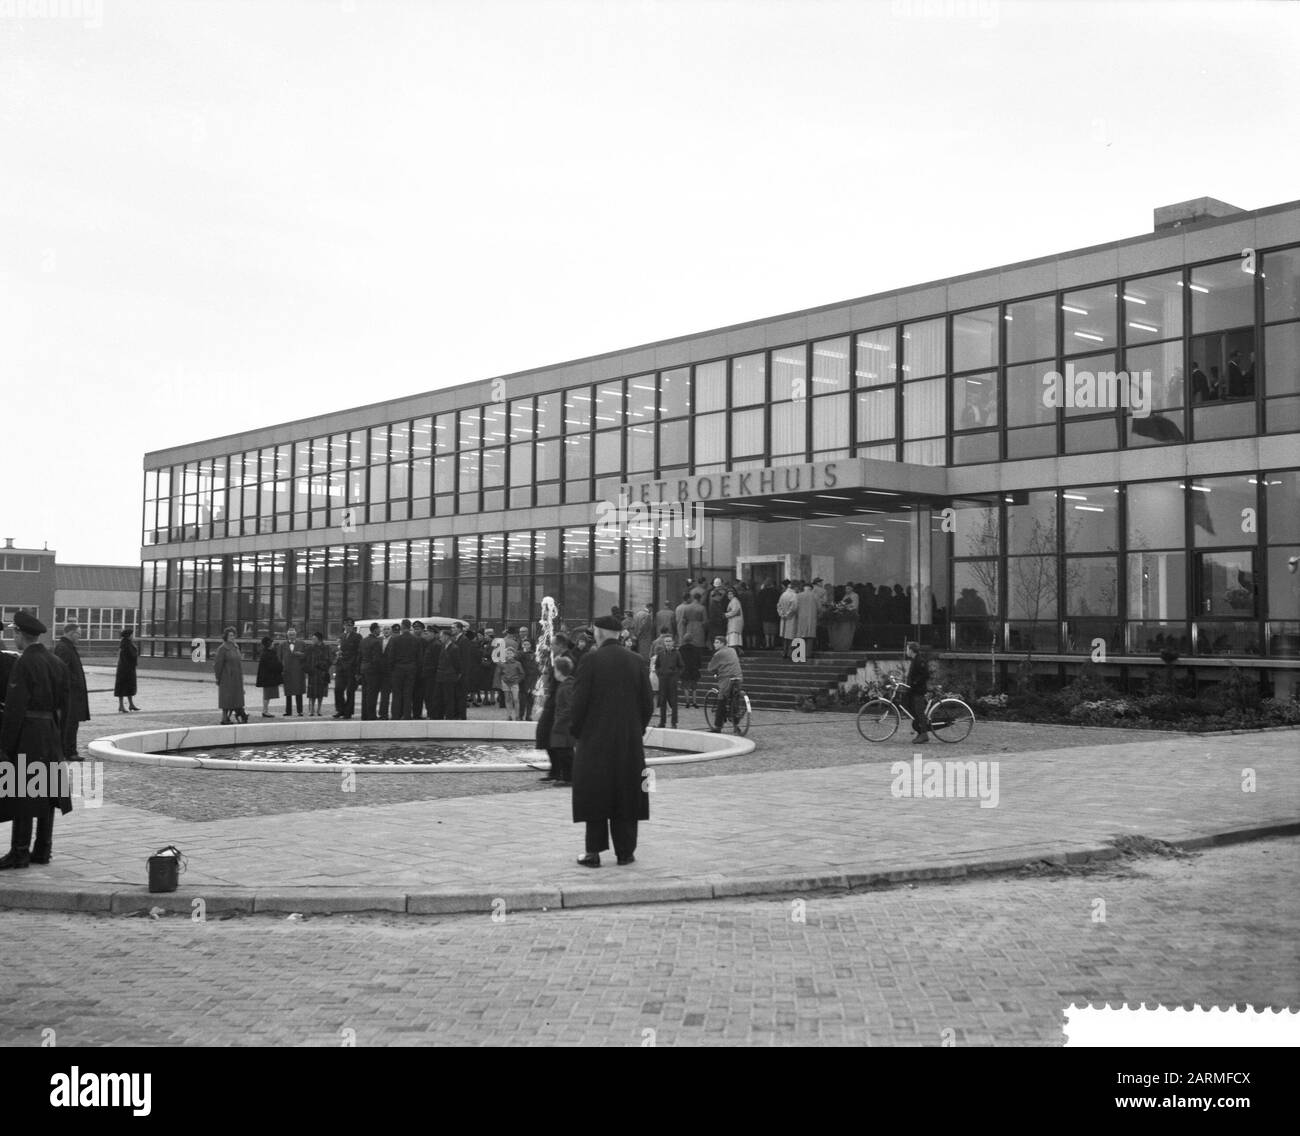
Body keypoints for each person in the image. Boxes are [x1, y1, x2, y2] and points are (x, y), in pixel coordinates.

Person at [568, 614, 654, 868]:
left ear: (599, 633)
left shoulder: (590, 660)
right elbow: (648, 703)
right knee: (627, 793)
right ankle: (626, 852)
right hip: (628, 741)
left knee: (595, 793)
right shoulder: (637, 660)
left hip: (595, 741)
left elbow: (578, 703)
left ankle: (593, 852)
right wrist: (635, 729)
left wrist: (578, 732)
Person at [0, 611, 73, 870]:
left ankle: (19, 851)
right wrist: (61, 740)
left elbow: (15, 708)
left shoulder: (24, 663)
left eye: (14, 633)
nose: (13, 638)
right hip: (51, 732)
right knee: (47, 791)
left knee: (24, 792)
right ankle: (43, 849)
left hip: (28, 734)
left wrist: (4, 747)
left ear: (20, 634)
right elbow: (66, 707)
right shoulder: (56, 662)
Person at [53, 621, 89, 758]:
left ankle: (69, 750)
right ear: (71, 633)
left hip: (73, 693)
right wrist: (73, 684)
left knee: (72, 723)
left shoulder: (68, 647)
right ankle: (69, 751)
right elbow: (62, 671)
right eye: (78, 634)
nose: (79, 637)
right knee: (69, 723)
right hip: (70, 694)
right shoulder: (64, 648)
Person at [546, 655, 577, 784]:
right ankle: (566, 776)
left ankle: (569, 778)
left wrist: (559, 722)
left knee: (565, 752)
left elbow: (569, 707)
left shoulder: (566, 687)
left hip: (564, 726)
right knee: (563, 751)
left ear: (559, 671)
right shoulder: (566, 685)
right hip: (563, 725)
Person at [705, 633, 743, 733]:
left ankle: (718, 726)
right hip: (738, 677)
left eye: (717, 642)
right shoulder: (732, 650)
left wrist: (715, 673)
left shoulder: (718, 654)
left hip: (726, 679)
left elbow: (711, 668)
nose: (714, 644)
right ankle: (736, 725)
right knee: (734, 700)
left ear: (723, 643)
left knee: (721, 700)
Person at [212, 627, 247, 724]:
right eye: (230, 635)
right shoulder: (222, 648)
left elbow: (239, 663)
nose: (232, 637)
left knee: (235, 698)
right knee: (227, 699)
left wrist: (241, 677)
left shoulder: (236, 647)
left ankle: (230, 717)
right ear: (226, 637)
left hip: (237, 678)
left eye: (233, 635)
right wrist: (218, 678)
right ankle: (224, 718)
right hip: (226, 678)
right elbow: (218, 664)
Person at [388, 619, 420, 720]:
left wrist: (392, 669)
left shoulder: (395, 640)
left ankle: (396, 715)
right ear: (410, 627)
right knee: (408, 693)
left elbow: (391, 656)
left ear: (402, 627)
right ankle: (407, 715)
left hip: (398, 669)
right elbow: (419, 657)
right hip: (411, 669)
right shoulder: (415, 640)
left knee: (397, 694)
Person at [332, 617, 362, 719]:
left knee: (350, 691)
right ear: (343, 626)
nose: (348, 627)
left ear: (353, 626)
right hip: (341, 666)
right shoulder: (341, 636)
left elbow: (358, 652)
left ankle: (348, 711)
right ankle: (340, 709)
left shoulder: (357, 636)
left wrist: (355, 666)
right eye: (346, 625)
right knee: (338, 689)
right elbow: (338, 648)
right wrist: (338, 653)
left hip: (351, 667)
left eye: (350, 625)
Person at [431, 627, 461, 720]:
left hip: (449, 676)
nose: (440, 638)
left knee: (449, 698)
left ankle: (449, 716)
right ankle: (438, 716)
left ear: (446, 637)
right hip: (440, 676)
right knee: (438, 697)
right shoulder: (443, 646)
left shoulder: (454, 648)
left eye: (441, 636)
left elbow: (457, 663)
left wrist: (456, 674)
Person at [653, 633, 682, 728]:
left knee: (673, 702)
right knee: (662, 701)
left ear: (673, 642)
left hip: (672, 680)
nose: (668, 643)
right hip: (663, 680)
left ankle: (674, 722)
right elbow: (657, 666)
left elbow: (681, 666)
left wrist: (676, 676)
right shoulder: (661, 654)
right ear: (664, 643)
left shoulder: (677, 653)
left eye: (669, 641)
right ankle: (662, 722)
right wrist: (659, 674)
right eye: (666, 641)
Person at [904, 641, 931, 744]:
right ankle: (920, 732)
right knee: (914, 711)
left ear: (911, 650)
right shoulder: (915, 659)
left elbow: (925, 675)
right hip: (914, 690)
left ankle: (924, 734)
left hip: (918, 691)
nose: (906, 651)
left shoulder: (919, 660)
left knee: (920, 713)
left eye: (907, 649)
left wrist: (914, 683)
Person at [277, 626, 306, 717]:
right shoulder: (282, 645)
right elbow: (279, 658)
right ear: (287, 636)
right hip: (287, 671)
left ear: (296, 635)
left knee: (298, 692)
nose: (291, 636)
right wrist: (281, 670)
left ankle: (300, 711)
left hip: (298, 671)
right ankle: (288, 711)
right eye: (290, 635)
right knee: (288, 692)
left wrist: (300, 654)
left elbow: (306, 656)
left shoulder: (302, 643)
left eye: (293, 635)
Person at [359, 622, 386, 721]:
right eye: (379, 629)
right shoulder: (376, 642)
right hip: (373, 671)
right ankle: (371, 715)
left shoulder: (363, 641)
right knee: (372, 694)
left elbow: (360, 656)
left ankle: (364, 715)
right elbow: (376, 659)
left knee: (365, 693)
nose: (380, 631)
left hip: (364, 669)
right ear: (375, 630)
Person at [255, 635, 283, 718]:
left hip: (268, 677)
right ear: (269, 644)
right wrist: (280, 666)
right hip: (268, 678)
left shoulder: (267, 653)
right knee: (267, 695)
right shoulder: (267, 654)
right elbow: (272, 665)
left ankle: (265, 710)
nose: (273, 644)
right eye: (272, 643)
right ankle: (265, 711)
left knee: (267, 695)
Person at [304, 631, 331, 716]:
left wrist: (323, 666)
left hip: (322, 673)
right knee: (312, 694)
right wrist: (308, 669)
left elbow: (329, 660)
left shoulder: (326, 648)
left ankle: (319, 710)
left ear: (319, 639)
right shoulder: (310, 648)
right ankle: (311, 710)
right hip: (312, 673)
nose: (312, 640)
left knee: (320, 693)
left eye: (314, 638)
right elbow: (306, 659)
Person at [114, 627, 140, 712]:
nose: (133, 636)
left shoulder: (127, 643)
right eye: (132, 634)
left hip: (128, 668)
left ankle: (131, 704)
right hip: (125, 669)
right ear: (129, 635)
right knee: (122, 687)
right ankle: (121, 706)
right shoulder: (125, 644)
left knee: (129, 687)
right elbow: (128, 656)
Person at [519, 639, 540, 722]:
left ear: (530, 645)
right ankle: (521, 715)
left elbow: (537, 665)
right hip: (523, 679)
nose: (526, 646)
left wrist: (539, 674)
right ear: (522, 645)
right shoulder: (520, 654)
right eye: (524, 644)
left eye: (527, 644)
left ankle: (528, 715)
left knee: (531, 699)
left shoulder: (534, 654)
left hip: (532, 679)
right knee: (522, 699)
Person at [500, 646, 524, 720]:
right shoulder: (502, 663)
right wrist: (502, 680)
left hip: (514, 683)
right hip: (505, 683)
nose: (509, 654)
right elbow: (500, 673)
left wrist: (517, 681)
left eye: (510, 653)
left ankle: (517, 715)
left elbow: (522, 673)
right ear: (505, 654)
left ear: (514, 654)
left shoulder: (517, 663)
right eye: (507, 653)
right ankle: (509, 715)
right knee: (507, 699)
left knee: (516, 699)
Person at [777, 580, 798, 657]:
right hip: (792, 618)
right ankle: (790, 653)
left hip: (783, 618)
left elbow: (779, 605)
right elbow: (794, 607)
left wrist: (782, 614)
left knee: (785, 636)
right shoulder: (794, 595)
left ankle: (784, 652)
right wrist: (788, 614)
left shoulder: (783, 594)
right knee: (791, 636)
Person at [758, 578, 780, 650]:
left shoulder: (762, 592)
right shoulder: (776, 592)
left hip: (765, 613)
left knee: (766, 630)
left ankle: (767, 644)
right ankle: (772, 643)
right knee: (773, 630)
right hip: (774, 613)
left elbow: (759, 603)